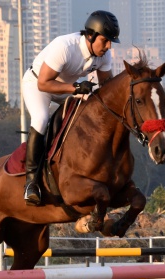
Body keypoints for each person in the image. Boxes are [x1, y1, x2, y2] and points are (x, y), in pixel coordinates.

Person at [21, 10, 120, 205]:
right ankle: (31, 183)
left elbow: (107, 88)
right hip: (38, 84)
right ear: (90, 35)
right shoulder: (65, 46)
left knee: (90, 115)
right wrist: (76, 88)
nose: (108, 46)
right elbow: (44, 83)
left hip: (68, 88)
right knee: (41, 119)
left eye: (111, 42)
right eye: (105, 40)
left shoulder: (103, 56)